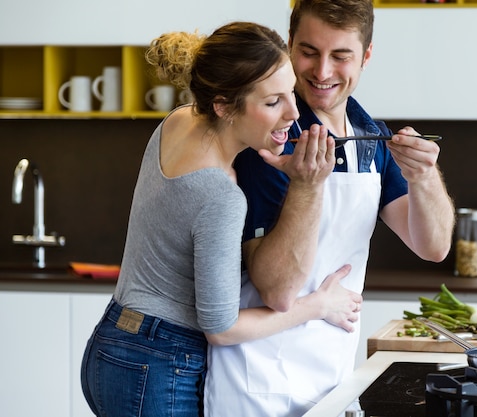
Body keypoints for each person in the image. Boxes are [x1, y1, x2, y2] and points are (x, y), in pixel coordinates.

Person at [80, 22, 363, 417]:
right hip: (158, 365)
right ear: (224, 106)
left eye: (289, 93)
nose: (293, 113)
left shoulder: (177, 121)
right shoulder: (221, 195)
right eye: (272, 102)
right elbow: (223, 328)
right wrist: (318, 304)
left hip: (111, 344)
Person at [204, 1, 456, 416]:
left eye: (340, 56)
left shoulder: (369, 134)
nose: (322, 72)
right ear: (288, 45)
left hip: (332, 380)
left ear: (366, 56)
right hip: (256, 384)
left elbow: (433, 247)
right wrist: (307, 185)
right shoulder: (270, 134)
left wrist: (424, 176)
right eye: (308, 52)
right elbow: (277, 289)